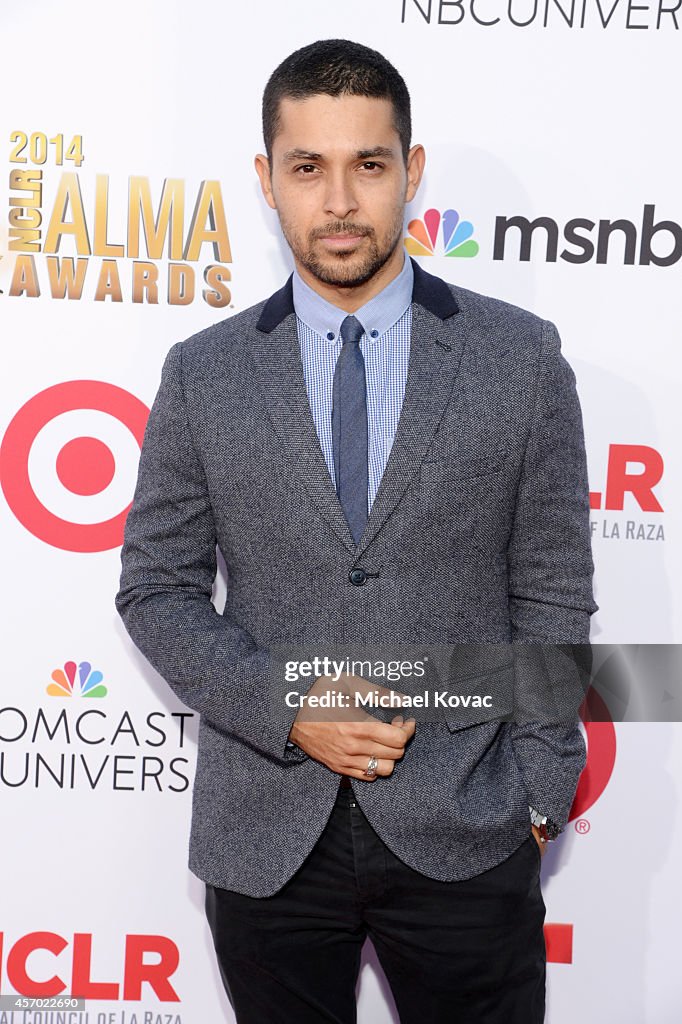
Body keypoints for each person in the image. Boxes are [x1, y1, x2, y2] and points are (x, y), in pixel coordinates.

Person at [115, 38, 598, 1024]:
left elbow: (550, 587)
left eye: (367, 165)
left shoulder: (520, 360)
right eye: (308, 168)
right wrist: (288, 704)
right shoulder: (203, 372)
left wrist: (537, 798)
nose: (339, 200)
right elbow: (156, 585)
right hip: (266, 831)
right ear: (268, 181)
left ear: (409, 173)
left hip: (467, 820)